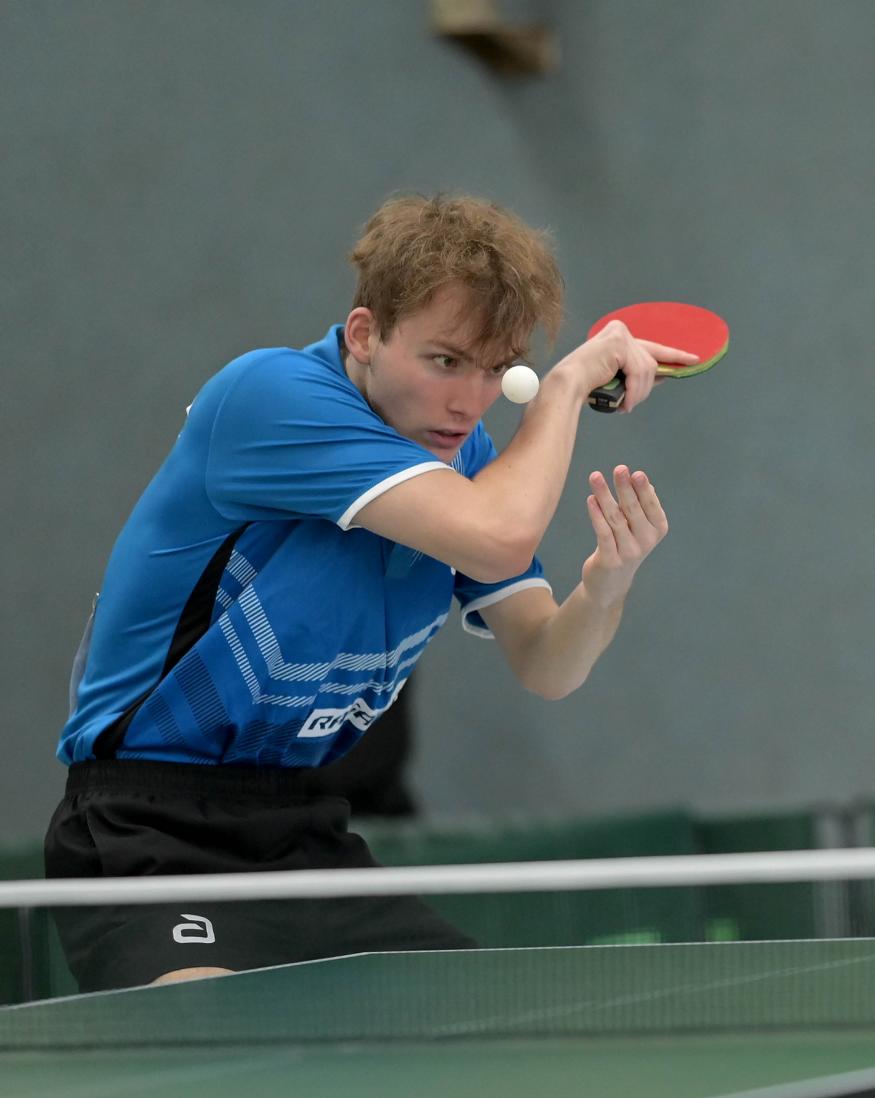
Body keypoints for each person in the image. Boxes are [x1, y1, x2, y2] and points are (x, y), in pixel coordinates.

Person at [50, 193, 686, 992]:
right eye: (445, 361)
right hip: (147, 826)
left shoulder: (461, 461)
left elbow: (546, 661)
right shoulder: (270, 398)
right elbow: (500, 535)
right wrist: (562, 391)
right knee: (212, 1048)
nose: (470, 400)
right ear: (364, 334)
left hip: (298, 827)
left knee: (481, 1029)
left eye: (497, 370)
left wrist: (605, 586)